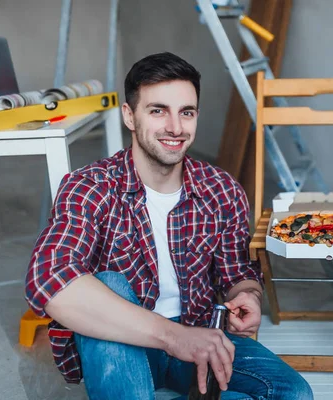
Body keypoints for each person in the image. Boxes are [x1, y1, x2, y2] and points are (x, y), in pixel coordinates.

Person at [25, 52, 313, 400]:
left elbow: (237, 272)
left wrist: (246, 295)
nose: (175, 127)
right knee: (109, 283)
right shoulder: (90, 186)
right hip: (126, 345)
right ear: (130, 116)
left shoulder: (221, 189)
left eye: (186, 112)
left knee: (291, 392)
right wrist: (174, 337)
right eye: (158, 110)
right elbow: (51, 279)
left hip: (200, 337)